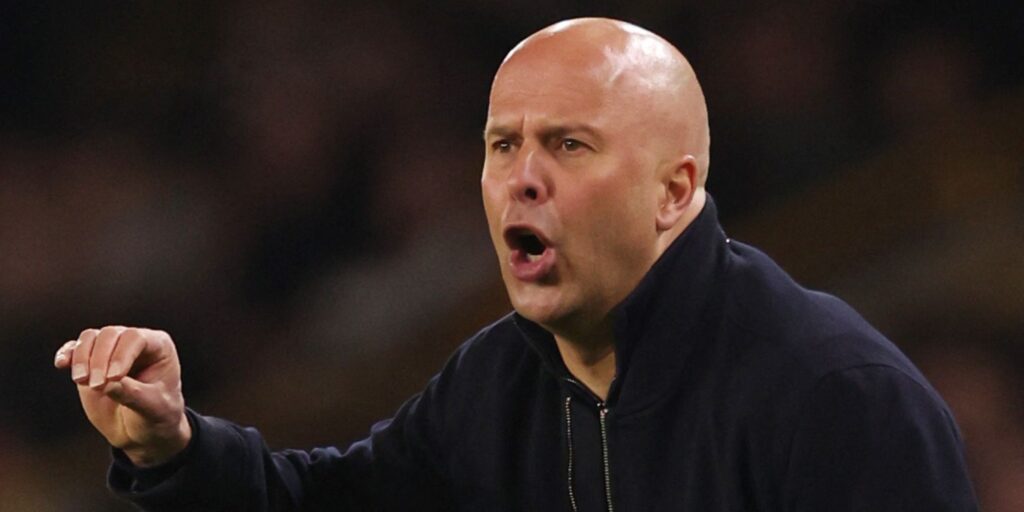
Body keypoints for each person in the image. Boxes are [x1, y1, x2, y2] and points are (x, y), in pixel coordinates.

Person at [54, 17, 979, 511]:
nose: (519, 180)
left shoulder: (835, 396)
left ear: (674, 190)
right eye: (503, 145)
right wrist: (176, 447)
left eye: (569, 146)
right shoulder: (497, 383)